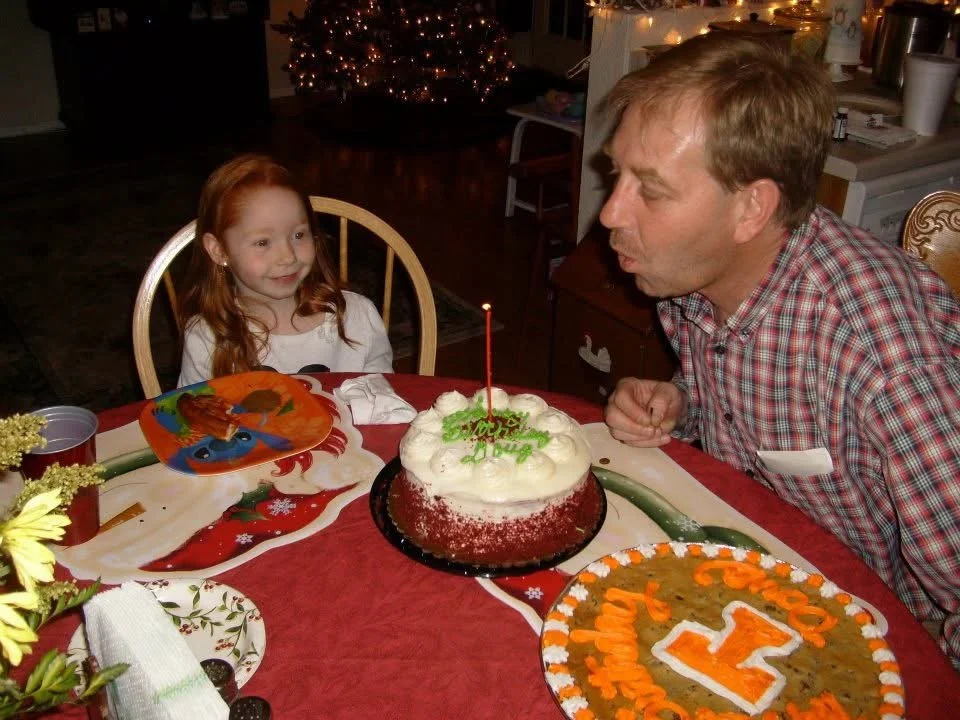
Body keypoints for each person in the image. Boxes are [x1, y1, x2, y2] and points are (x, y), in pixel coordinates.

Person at [600, 32, 960, 669]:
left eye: (649, 190)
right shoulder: (697, 275)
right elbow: (743, 412)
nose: (610, 214)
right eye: (616, 175)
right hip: (752, 578)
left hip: (868, 634)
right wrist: (679, 405)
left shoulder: (884, 356)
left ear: (751, 209)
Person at [177, 154, 393, 386]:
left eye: (299, 235)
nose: (288, 256)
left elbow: (384, 404)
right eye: (263, 242)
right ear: (219, 251)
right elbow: (194, 415)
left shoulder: (357, 317)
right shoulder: (207, 337)